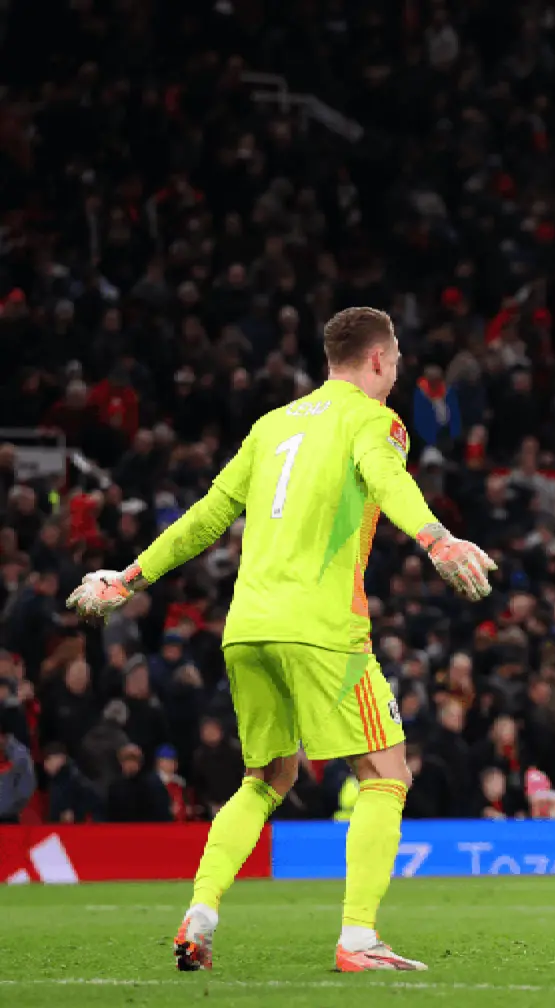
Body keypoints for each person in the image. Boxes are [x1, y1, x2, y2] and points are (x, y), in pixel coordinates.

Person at [67, 307, 496, 972]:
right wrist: (435, 537)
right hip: (321, 628)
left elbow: (208, 514)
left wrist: (128, 578)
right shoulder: (372, 420)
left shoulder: (271, 427)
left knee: (267, 776)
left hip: (247, 629)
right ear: (379, 359)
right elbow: (387, 477)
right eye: (398, 358)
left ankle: (199, 917)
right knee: (387, 772)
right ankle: (358, 939)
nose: (399, 369)